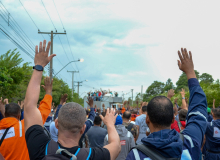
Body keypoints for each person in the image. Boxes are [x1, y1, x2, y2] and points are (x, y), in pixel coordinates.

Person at [24, 40, 121, 160]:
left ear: (57, 123)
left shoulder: (40, 147)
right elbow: (116, 146)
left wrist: (39, 66)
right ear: (83, 129)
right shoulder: (93, 156)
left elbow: (29, 106)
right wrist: (110, 123)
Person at [126, 48, 208, 159]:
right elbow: (199, 110)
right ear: (173, 119)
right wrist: (190, 72)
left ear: (147, 119)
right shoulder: (190, 142)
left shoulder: (135, 156)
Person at [0, 76, 52, 160]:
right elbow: (43, 111)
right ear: (19, 115)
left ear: (5, 114)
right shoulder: (24, 127)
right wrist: (48, 93)